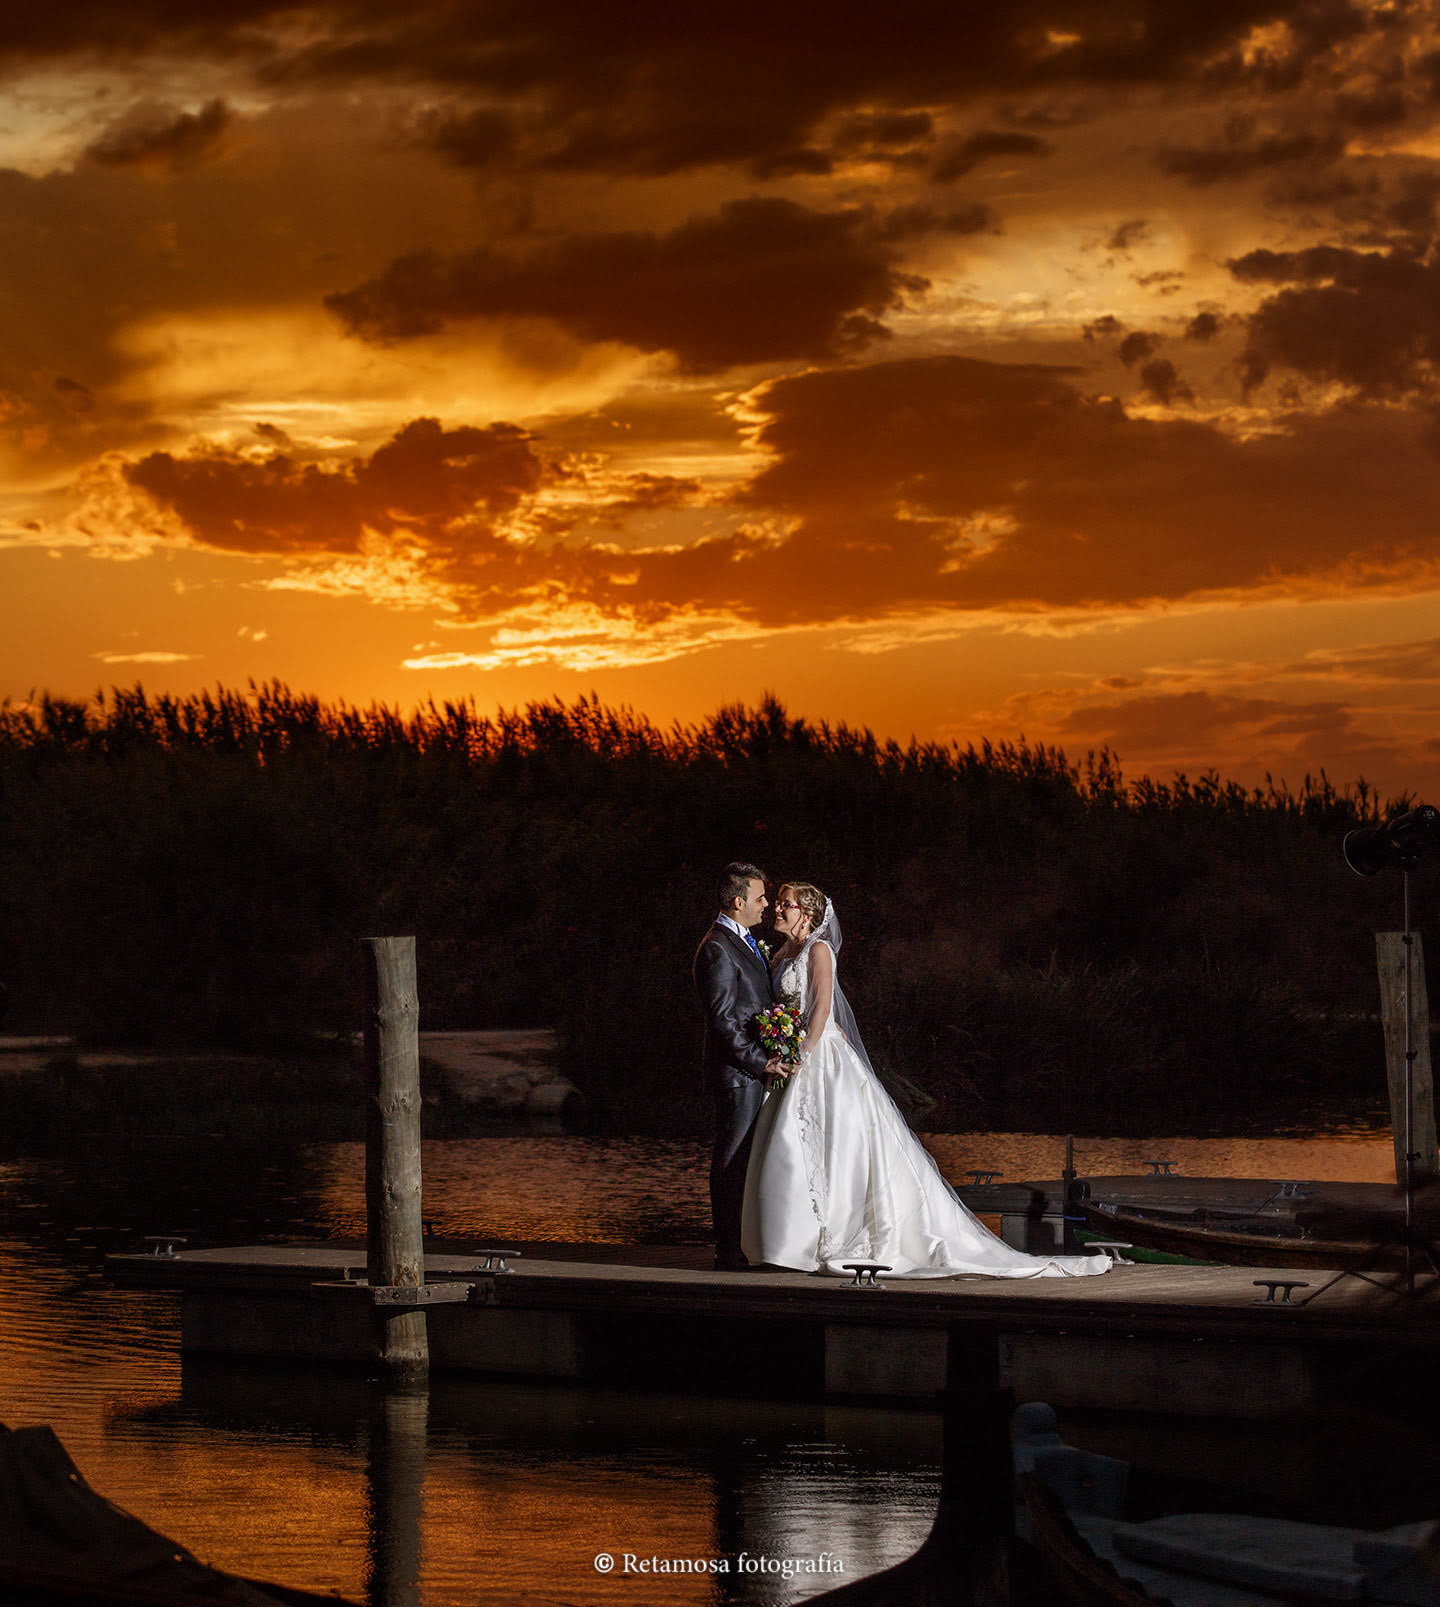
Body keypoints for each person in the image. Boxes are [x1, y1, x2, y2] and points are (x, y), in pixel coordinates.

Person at [742, 883, 1110, 1279]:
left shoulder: (818, 950)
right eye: (777, 903)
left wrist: (801, 1055)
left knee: (835, 1148)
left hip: (818, 1057)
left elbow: (822, 1008)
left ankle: (826, 1237)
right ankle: (792, 1241)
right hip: (794, 1055)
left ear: (807, 914)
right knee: (793, 1148)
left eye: (785, 904)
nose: (777, 909)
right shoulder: (783, 952)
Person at [693, 862, 784, 1271]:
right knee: (732, 1157)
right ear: (738, 901)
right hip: (737, 1074)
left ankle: (745, 1243)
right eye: (760, 897)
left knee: (748, 1157)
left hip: (751, 1072)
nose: (766, 904)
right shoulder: (716, 947)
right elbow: (724, 1019)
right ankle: (728, 1249)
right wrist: (761, 1060)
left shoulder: (745, 941)